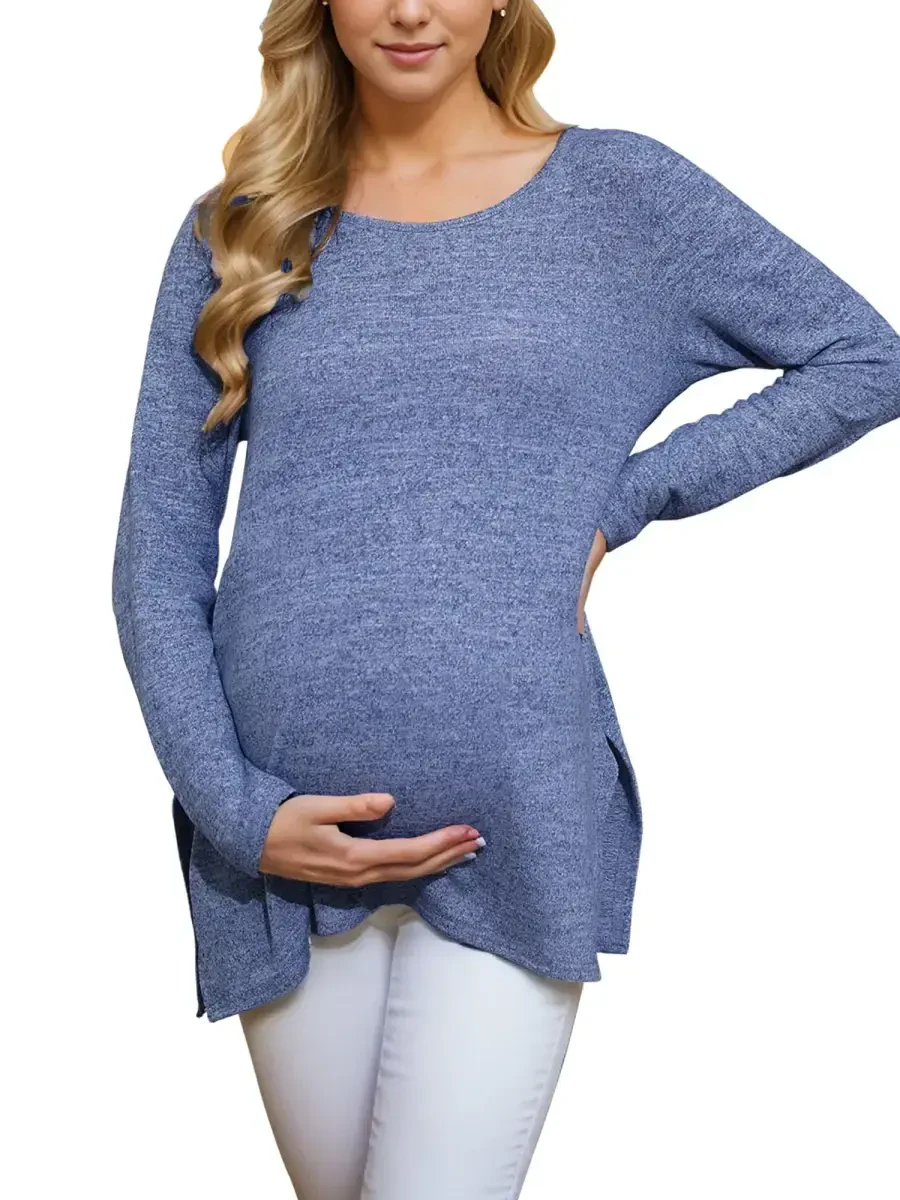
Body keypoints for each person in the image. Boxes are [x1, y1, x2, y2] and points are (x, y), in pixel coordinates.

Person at [111, 1, 900, 1197]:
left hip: (513, 809)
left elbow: (865, 357)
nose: (410, 9)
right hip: (278, 842)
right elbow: (156, 553)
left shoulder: (621, 196)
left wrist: (633, 496)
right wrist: (234, 808)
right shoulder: (246, 226)